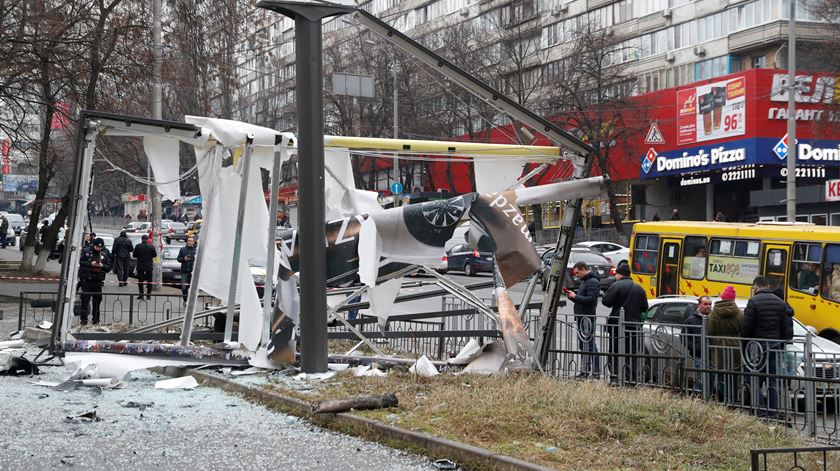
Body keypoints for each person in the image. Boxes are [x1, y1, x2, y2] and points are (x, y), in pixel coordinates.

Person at [742, 276, 792, 418]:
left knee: (754, 378)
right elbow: (784, 329)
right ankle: (772, 411)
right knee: (773, 380)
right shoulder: (780, 303)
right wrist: (781, 344)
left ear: (756, 287)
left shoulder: (753, 301)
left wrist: (745, 344)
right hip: (775, 346)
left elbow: (747, 327)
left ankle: (762, 410)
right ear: (768, 285)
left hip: (757, 347)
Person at [601, 262, 648, 383]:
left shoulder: (616, 286)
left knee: (615, 352)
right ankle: (630, 379)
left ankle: (616, 376)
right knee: (630, 354)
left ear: (619, 274)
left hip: (617, 326)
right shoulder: (639, 288)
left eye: (616, 274)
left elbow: (606, 302)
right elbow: (644, 307)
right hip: (633, 327)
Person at [565, 261, 601, 379]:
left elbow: (590, 299)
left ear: (583, 269)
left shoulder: (593, 282)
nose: (576, 275)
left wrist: (575, 296)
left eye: (577, 273)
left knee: (590, 345)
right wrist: (572, 297)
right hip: (582, 317)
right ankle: (585, 371)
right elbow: (582, 299)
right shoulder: (585, 281)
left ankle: (595, 372)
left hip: (587, 318)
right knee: (583, 345)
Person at [708, 286, 743, 401]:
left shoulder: (714, 313)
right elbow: (743, 329)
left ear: (723, 297)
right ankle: (732, 398)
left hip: (718, 345)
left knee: (720, 372)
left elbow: (710, 330)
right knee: (733, 374)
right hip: (735, 346)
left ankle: (723, 398)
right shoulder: (739, 313)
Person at [77, 238, 111, 325]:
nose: (98, 249)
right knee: (85, 300)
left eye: (100, 247)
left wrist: (102, 265)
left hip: (98, 281)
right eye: (96, 247)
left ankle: (96, 320)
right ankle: (83, 320)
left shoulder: (104, 254)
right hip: (87, 280)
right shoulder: (86, 251)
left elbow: (108, 267)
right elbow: (80, 262)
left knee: (97, 301)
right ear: (93, 245)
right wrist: (90, 264)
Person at [684, 295, 712, 392]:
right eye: (705, 304)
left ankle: (705, 396)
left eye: (710, 304)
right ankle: (698, 395)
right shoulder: (691, 320)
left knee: (710, 376)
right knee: (702, 375)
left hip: (712, 353)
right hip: (699, 354)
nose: (708, 306)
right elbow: (684, 337)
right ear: (699, 305)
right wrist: (695, 348)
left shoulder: (713, 319)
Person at [132, 234, 157, 299]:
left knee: (140, 281)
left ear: (141, 239)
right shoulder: (152, 247)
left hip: (140, 265)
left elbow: (134, 255)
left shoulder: (138, 246)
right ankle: (148, 295)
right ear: (148, 239)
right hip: (149, 266)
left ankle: (141, 295)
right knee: (149, 280)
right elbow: (154, 255)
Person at [177, 237, 197, 305]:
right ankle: (185, 299)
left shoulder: (196, 250)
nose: (189, 242)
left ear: (193, 242)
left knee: (191, 288)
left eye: (191, 241)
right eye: (188, 241)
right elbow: (178, 259)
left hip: (193, 272)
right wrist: (184, 259)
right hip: (184, 271)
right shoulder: (182, 249)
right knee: (184, 288)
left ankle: (189, 301)